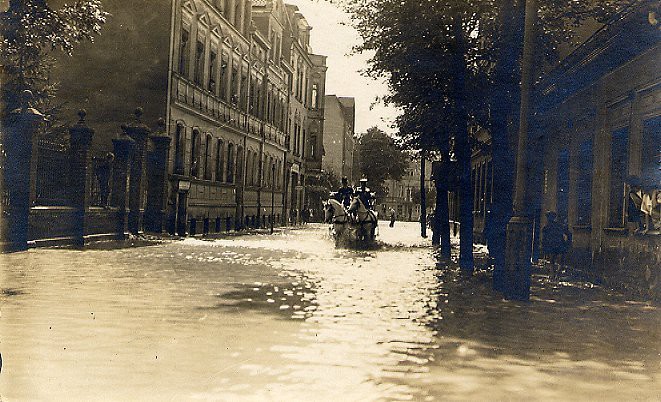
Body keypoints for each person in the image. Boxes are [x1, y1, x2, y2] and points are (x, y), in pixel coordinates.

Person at [541, 211, 572, 278]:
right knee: (554, 261)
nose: (549, 219)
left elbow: (567, 233)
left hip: (556, 245)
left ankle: (555, 274)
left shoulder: (549, 227)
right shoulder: (549, 227)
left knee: (555, 261)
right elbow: (544, 238)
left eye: (550, 217)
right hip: (556, 245)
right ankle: (555, 274)